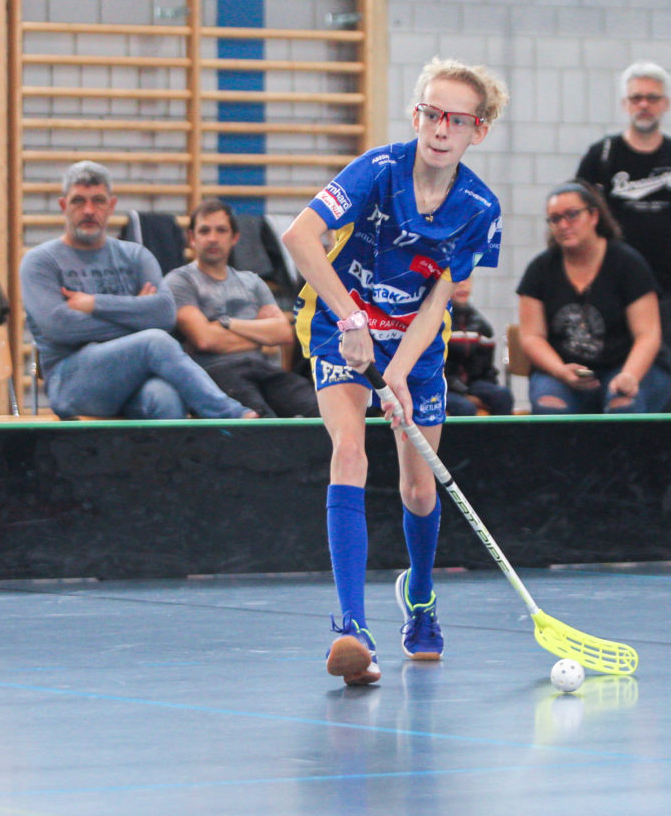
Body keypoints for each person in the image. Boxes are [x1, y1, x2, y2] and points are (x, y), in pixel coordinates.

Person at [282, 56, 507, 685]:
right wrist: (351, 318)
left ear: (478, 130)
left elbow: (439, 300)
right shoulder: (377, 170)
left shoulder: (479, 208)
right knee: (350, 452)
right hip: (340, 329)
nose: (441, 128)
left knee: (418, 489)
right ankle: (352, 628)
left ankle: (422, 598)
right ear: (416, 116)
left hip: (415, 346)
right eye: (431, 113)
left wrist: (401, 372)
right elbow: (299, 238)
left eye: (456, 119)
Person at [21, 161, 255, 420]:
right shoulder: (40, 261)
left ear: (111, 205)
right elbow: (60, 327)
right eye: (78, 201)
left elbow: (164, 315)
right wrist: (137, 315)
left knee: (166, 398)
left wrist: (95, 304)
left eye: (98, 201)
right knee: (154, 341)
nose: (89, 210)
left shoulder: (135, 256)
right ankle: (232, 416)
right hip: (71, 382)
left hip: (131, 379)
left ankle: (182, 449)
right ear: (63, 206)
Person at [575, 61, 671, 413]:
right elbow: (576, 221)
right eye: (636, 98)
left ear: (665, 104)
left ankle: (669, 450)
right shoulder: (602, 155)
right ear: (625, 104)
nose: (644, 105)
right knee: (611, 386)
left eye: (652, 98)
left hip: (670, 294)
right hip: (611, 295)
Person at [517, 180, 671, 414]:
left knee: (622, 405)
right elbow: (531, 336)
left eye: (572, 215)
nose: (564, 225)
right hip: (564, 369)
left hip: (626, 365)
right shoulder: (539, 270)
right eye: (555, 219)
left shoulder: (629, 264)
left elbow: (648, 335)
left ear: (594, 216)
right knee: (551, 406)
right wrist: (559, 370)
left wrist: (629, 375)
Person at [164, 199, 318, 418]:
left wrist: (226, 323)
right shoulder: (179, 281)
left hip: (263, 369)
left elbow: (283, 333)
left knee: (319, 411)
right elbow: (204, 339)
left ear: (234, 237)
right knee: (262, 422)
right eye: (205, 231)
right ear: (191, 238)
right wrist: (260, 335)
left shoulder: (252, 281)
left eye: (221, 230)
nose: (213, 238)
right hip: (215, 374)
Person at [444, 276, 513, 416]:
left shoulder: (481, 325)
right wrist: (464, 393)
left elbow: (486, 369)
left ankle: (499, 432)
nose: (462, 284)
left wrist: (486, 390)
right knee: (465, 407)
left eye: (466, 278)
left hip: (470, 384)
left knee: (503, 396)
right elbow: (437, 369)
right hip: (443, 386)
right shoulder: (436, 323)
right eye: (455, 279)